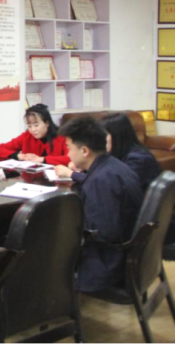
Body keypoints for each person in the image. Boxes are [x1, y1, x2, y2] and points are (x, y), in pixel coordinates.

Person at [52, 117, 143, 292]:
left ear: (84, 151)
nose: (68, 154)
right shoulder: (114, 166)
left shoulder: (101, 181)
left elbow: (103, 233)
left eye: (69, 148)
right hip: (126, 251)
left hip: (107, 263)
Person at [99, 113, 161, 193]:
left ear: (116, 136)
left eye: (104, 135)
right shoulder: (118, 153)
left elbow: (116, 186)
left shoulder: (138, 159)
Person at [0, 104, 69, 165]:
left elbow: (70, 158)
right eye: (29, 126)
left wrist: (42, 159)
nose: (33, 130)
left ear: (47, 123)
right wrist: (19, 156)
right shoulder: (27, 136)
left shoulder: (62, 137)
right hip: (32, 177)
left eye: (36, 125)